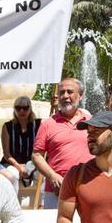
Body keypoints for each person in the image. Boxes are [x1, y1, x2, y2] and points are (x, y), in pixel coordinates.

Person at [32, 78, 93, 209]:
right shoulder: (47, 124)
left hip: (88, 187)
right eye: (61, 92)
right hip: (57, 191)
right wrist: (51, 175)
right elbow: (37, 155)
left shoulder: (92, 122)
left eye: (70, 92)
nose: (65, 96)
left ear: (80, 96)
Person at [0, 96, 40, 184]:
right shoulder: (7, 126)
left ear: (30, 109)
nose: (21, 111)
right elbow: (7, 154)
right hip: (12, 163)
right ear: (14, 109)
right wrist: (18, 166)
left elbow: (41, 150)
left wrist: (30, 166)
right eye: (18, 108)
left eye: (25, 108)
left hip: (34, 163)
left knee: (43, 176)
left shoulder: (39, 125)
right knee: (12, 175)